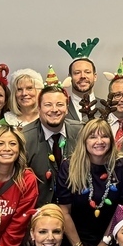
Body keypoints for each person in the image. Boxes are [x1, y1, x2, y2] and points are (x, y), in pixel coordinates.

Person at [56, 118, 123, 246]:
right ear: (84, 141)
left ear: (111, 140)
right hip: (75, 238)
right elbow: (64, 211)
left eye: (104, 136)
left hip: (111, 235)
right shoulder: (69, 167)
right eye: (93, 137)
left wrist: (105, 242)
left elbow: (122, 210)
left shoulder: (122, 167)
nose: (99, 141)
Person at [22, 79, 83, 207]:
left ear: (67, 108)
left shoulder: (82, 132)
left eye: (60, 104)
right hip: (39, 211)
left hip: (77, 209)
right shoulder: (24, 138)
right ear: (39, 108)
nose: (54, 109)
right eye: (48, 105)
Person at [64, 56, 106, 125]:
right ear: (70, 77)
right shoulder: (61, 107)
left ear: (95, 77)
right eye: (77, 73)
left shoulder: (106, 107)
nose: (83, 76)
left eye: (87, 72)